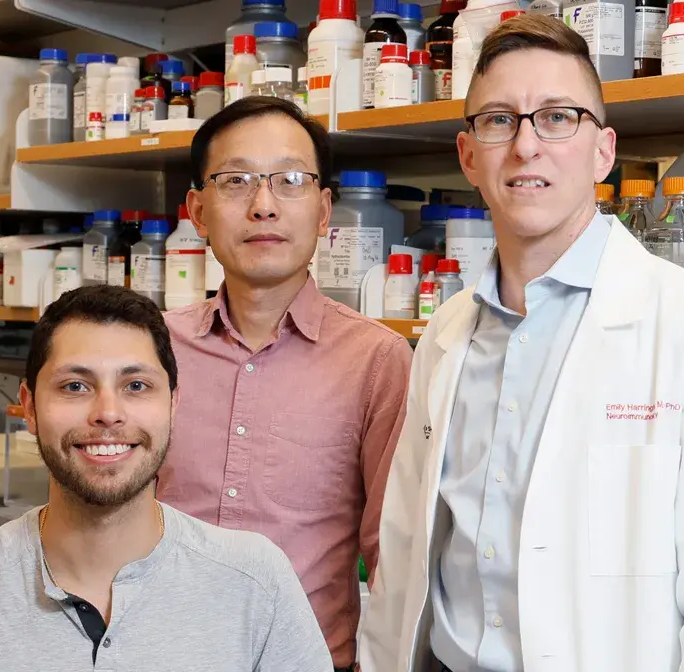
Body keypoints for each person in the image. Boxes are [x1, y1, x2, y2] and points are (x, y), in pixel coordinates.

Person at [359, 15, 684, 672]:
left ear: (602, 151)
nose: (525, 146)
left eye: (557, 117)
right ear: (468, 156)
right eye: (498, 120)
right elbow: (407, 547)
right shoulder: (445, 332)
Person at [0, 285, 333, 672]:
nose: (107, 413)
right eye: (75, 386)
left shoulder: (254, 582)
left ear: (173, 403)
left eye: (135, 386)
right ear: (28, 406)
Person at [157, 96, 412, 670]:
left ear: (324, 212)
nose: (263, 206)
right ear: (197, 210)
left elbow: (392, 554)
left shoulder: (377, 360)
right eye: (236, 180)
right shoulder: (151, 351)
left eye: (290, 181)